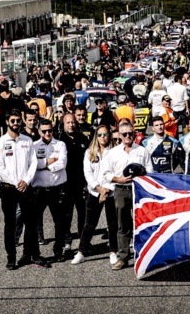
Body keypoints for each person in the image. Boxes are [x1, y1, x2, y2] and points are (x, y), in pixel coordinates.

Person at [0, 108, 49, 270]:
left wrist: (26, 180)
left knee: (31, 223)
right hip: (8, 188)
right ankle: (11, 258)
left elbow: (33, 163)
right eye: (13, 121)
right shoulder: (1, 143)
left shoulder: (27, 140)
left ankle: (29, 254)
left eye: (18, 121)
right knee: (10, 225)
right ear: (7, 122)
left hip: (26, 187)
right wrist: (16, 182)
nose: (16, 124)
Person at [101, 121, 153, 270]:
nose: (128, 136)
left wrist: (141, 177)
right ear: (120, 135)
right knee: (123, 224)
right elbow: (106, 173)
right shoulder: (113, 152)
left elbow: (150, 170)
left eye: (131, 133)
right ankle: (123, 257)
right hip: (121, 190)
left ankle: (142, 256)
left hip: (139, 190)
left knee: (141, 223)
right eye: (125, 134)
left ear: (135, 134)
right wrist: (119, 179)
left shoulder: (142, 151)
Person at [72, 125, 118, 266]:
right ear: (95, 137)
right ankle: (81, 252)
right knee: (89, 224)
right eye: (100, 135)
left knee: (112, 224)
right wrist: (99, 189)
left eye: (105, 134)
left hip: (111, 193)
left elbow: (116, 173)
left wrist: (107, 190)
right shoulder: (89, 152)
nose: (103, 137)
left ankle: (113, 252)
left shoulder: (115, 152)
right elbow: (88, 174)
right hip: (94, 192)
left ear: (109, 136)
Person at [32, 118, 69, 263]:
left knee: (60, 222)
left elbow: (62, 163)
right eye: (44, 131)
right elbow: (34, 164)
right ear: (39, 131)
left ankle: (58, 250)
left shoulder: (60, 144)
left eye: (50, 130)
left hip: (57, 188)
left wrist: (45, 165)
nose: (47, 133)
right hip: (39, 189)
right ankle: (35, 253)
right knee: (34, 223)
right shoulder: (34, 146)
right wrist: (49, 162)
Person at [58, 113, 90, 251]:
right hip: (65, 183)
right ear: (63, 124)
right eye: (68, 122)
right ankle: (66, 241)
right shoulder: (59, 140)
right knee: (66, 214)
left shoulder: (82, 138)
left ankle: (84, 242)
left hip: (81, 182)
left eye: (73, 122)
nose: (71, 125)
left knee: (83, 213)